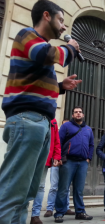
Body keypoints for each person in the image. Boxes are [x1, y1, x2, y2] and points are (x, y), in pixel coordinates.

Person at [0, 0, 82, 223]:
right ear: (46, 15)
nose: (64, 27)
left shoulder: (39, 47)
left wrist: (59, 87)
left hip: (40, 124)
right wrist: (70, 49)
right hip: (27, 120)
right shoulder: (27, 36)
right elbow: (46, 55)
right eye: (61, 20)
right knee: (11, 192)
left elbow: (29, 84)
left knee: (24, 195)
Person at [54, 106, 94, 223]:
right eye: (75, 112)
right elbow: (59, 141)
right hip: (68, 161)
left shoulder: (88, 129)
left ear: (83, 115)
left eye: (80, 112)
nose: (78, 114)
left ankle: (80, 212)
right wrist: (59, 157)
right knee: (63, 188)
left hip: (82, 162)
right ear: (72, 115)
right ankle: (59, 213)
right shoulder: (66, 126)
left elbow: (91, 145)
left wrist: (88, 158)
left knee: (79, 189)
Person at [30, 119, 61, 224]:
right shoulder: (32, 114)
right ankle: (19, 214)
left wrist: (56, 156)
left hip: (45, 159)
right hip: (29, 157)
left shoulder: (53, 121)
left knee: (41, 186)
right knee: (23, 186)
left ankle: (35, 215)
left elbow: (56, 140)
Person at [44, 119, 74, 218]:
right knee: (53, 186)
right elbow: (55, 146)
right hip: (56, 163)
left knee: (66, 187)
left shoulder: (72, 135)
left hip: (66, 163)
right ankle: (49, 208)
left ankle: (66, 207)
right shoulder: (58, 134)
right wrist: (56, 158)